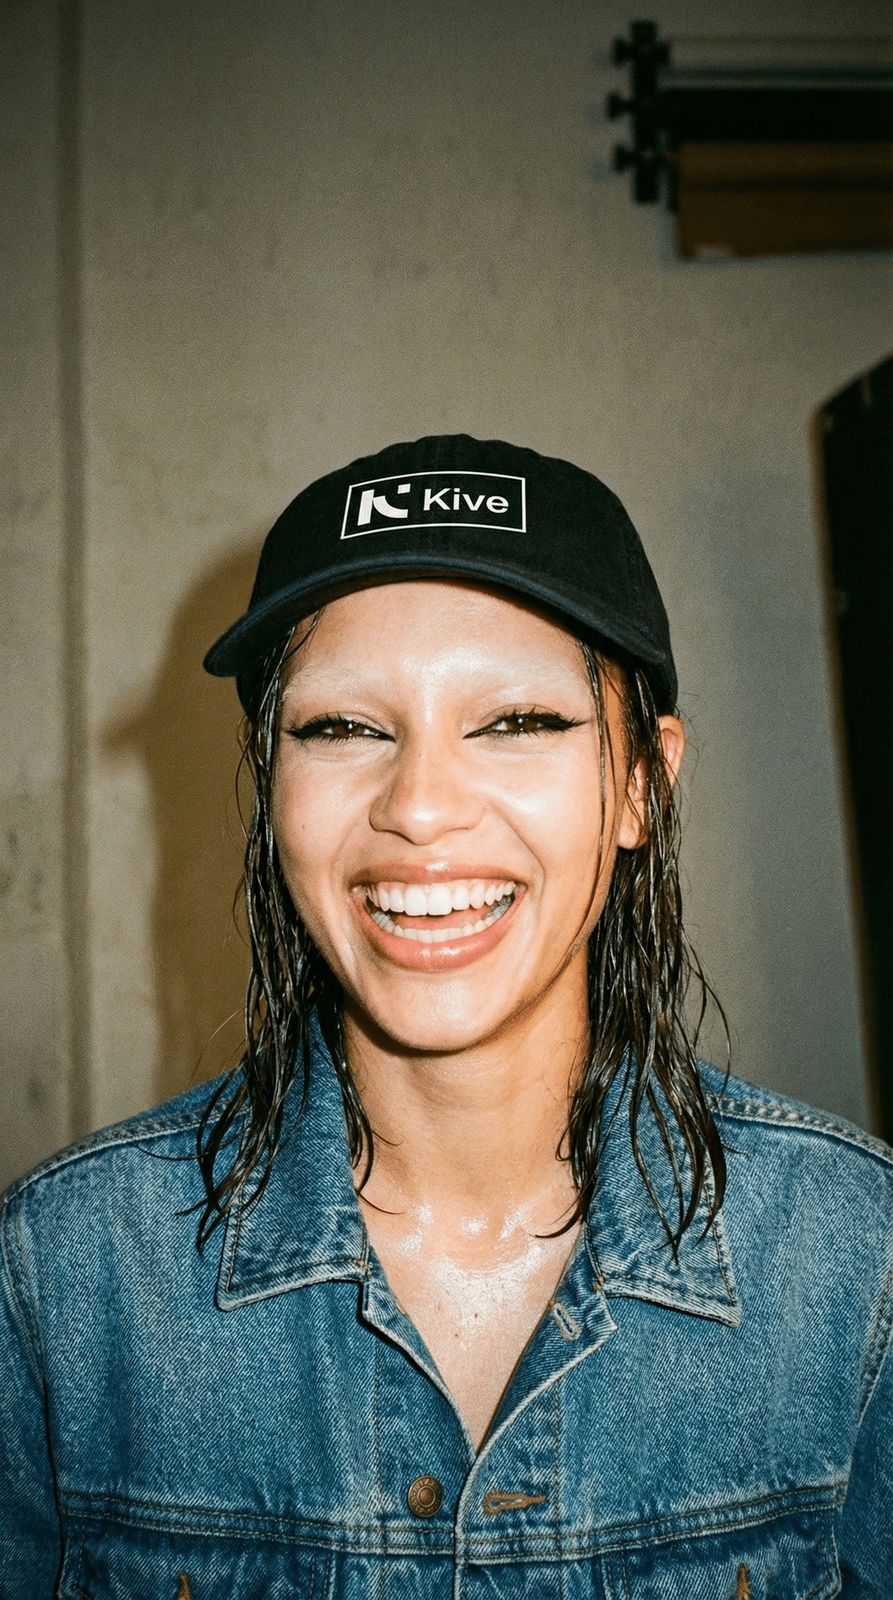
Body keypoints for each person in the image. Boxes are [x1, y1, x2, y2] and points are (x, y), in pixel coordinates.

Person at [1, 434, 890, 1595]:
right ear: (271, 786)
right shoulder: (63, 1278)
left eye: (516, 721)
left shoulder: (859, 1261)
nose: (418, 807)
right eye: (342, 728)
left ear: (640, 782)